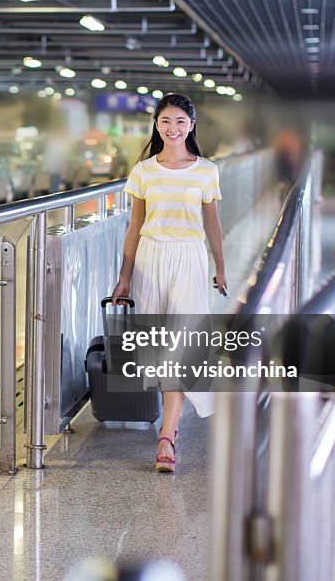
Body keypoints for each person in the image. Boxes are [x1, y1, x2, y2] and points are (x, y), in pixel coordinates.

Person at [110, 93, 227, 472]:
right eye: (165, 121)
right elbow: (133, 228)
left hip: (189, 259)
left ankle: (167, 434)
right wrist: (124, 277)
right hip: (150, 258)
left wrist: (220, 267)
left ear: (191, 125)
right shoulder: (144, 171)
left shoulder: (206, 171)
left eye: (179, 121)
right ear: (156, 125)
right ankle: (169, 427)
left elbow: (212, 224)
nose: (172, 128)